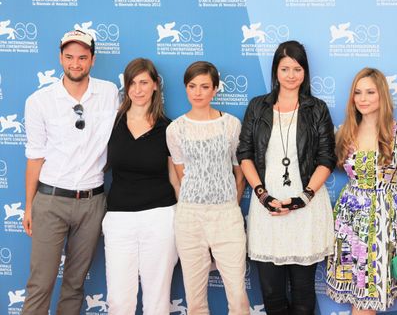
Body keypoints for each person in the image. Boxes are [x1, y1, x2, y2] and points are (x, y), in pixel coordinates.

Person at [22, 30, 119, 315]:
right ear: (60, 58)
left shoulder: (110, 93)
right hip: (51, 200)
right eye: (69, 57)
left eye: (82, 57)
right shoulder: (39, 101)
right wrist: (29, 206)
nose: (75, 63)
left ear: (92, 59)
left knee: (75, 284)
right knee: (41, 283)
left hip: (93, 201)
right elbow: (35, 156)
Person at [237, 40, 336, 315]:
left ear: (305, 72)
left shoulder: (317, 108)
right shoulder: (258, 107)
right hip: (266, 210)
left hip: (306, 209)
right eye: (285, 69)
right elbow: (244, 154)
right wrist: (262, 195)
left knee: (304, 295)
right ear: (275, 71)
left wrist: (301, 199)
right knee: (272, 295)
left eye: (297, 68)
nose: (291, 75)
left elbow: (327, 158)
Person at [325, 67, 397, 313]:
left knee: (372, 292)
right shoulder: (346, 132)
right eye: (358, 92)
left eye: (370, 92)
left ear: (382, 96)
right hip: (351, 220)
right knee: (359, 295)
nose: (363, 99)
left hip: (385, 220)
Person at [166, 61, 249, 315]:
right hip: (189, 217)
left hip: (227, 215)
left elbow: (239, 172)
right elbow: (181, 176)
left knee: (237, 293)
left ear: (215, 89)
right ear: (186, 88)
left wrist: (228, 206)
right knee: (195, 296)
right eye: (192, 86)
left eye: (204, 86)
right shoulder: (175, 128)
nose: (198, 92)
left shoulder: (232, 124)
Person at [102, 58, 178, 315]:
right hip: (119, 219)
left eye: (144, 82)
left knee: (157, 300)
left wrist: (187, 219)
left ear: (155, 85)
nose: (137, 89)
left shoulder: (168, 129)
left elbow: (176, 178)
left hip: (160, 218)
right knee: (118, 301)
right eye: (132, 83)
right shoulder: (111, 124)